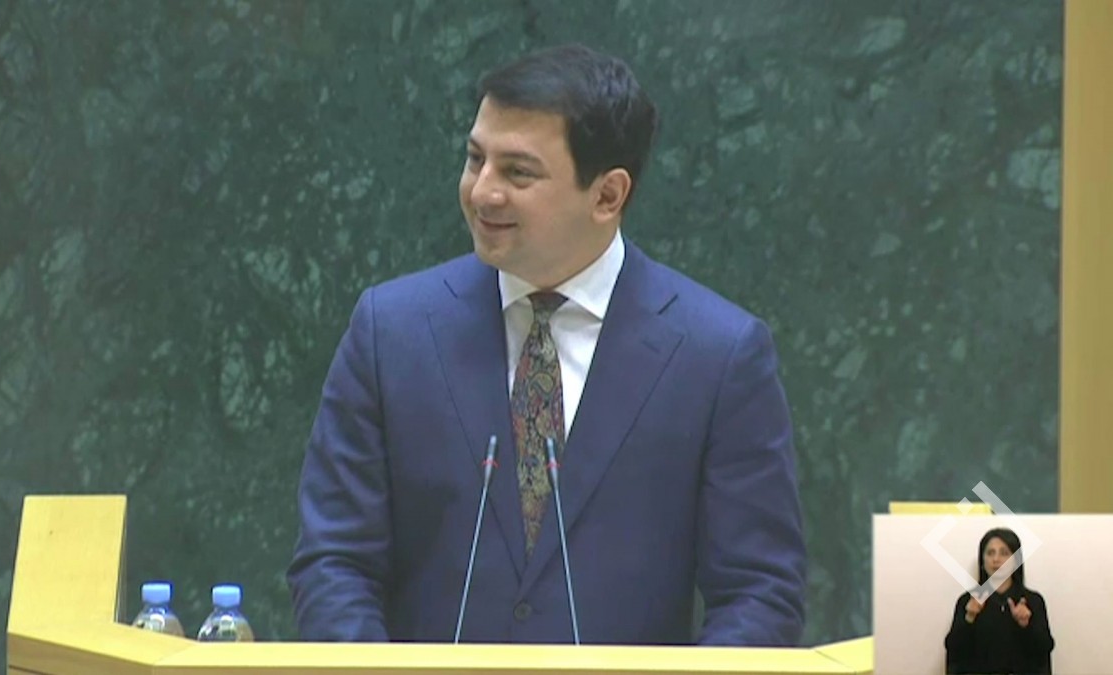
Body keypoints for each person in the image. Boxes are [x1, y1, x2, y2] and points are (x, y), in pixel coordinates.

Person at [287, 43, 805, 646]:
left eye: (518, 173)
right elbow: (334, 563)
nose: (483, 192)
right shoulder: (392, 331)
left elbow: (759, 593)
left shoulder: (717, 355)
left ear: (607, 195)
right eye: (475, 159)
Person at [944, 528, 1054, 674]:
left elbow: (1045, 649)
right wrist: (969, 618)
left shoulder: (1032, 601)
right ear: (982, 561)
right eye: (990, 553)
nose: (996, 559)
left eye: (1004, 553)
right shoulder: (968, 601)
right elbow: (953, 651)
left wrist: (1026, 625)